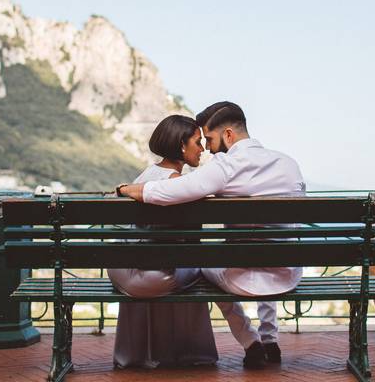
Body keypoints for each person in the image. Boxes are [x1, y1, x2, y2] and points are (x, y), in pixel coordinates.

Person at [116, 101, 306, 369]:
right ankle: (269, 338)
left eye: (210, 138)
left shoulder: (227, 167)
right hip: (288, 274)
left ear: (228, 134)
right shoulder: (288, 164)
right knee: (270, 250)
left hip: (243, 279)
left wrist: (127, 189)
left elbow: (170, 190)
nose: (208, 146)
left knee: (206, 267)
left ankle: (250, 341)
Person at [107, 114, 218, 369]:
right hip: (151, 278)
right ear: (181, 145)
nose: (201, 149)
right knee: (199, 271)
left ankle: (140, 353)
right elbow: (191, 242)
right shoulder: (178, 184)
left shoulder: (145, 175)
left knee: (163, 260)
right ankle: (189, 352)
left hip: (121, 271)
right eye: (197, 143)